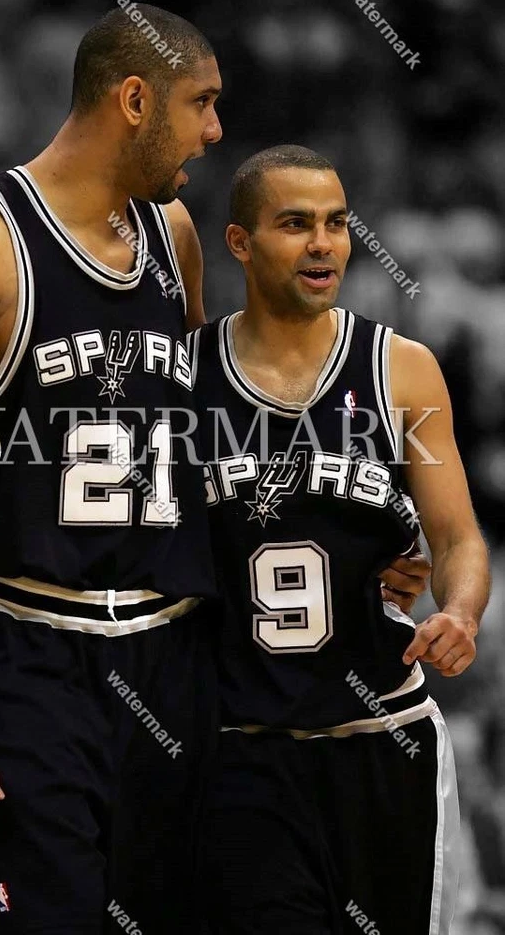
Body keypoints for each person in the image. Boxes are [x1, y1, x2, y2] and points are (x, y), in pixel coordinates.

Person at [0, 3, 427, 934]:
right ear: (134, 100)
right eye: (199, 104)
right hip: (31, 656)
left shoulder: (173, 238)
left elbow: (198, 450)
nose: (216, 132)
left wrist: (344, 544)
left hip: (173, 658)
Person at [193, 145, 490, 935]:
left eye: (335, 223)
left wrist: (460, 612)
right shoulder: (184, 378)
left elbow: (458, 536)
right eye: (295, 225)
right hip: (242, 753)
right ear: (240, 244)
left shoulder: (403, 370)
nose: (323, 243)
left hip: (383, 739)